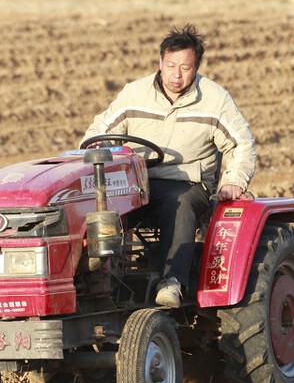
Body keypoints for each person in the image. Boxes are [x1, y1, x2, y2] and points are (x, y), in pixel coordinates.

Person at [82, 24, 257, 308]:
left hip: (188, 183)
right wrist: (93, 146)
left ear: (196, 66)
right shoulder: (134, 94)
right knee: (86, 204)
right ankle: (90, 280)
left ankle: (171, 282)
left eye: (185, 67)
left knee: (178, 204)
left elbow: (241, 143)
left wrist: (234, 179)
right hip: (137, 182)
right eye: (171, 65)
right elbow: (99, 130)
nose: (177, 74)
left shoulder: (215, 99)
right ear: (160, 62)